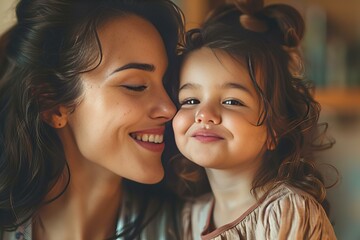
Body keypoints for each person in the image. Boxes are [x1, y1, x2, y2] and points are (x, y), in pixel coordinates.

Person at [0, 0, 184, 239]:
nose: (169, 108)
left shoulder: (193, 228)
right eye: (136, 86)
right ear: (51, 104)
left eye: (166, 83)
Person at [169, 0, 337, 239]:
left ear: (275, 129)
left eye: (232, 102)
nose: (204, 114)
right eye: (190, 100)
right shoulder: (189, 217)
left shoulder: (287, 212)